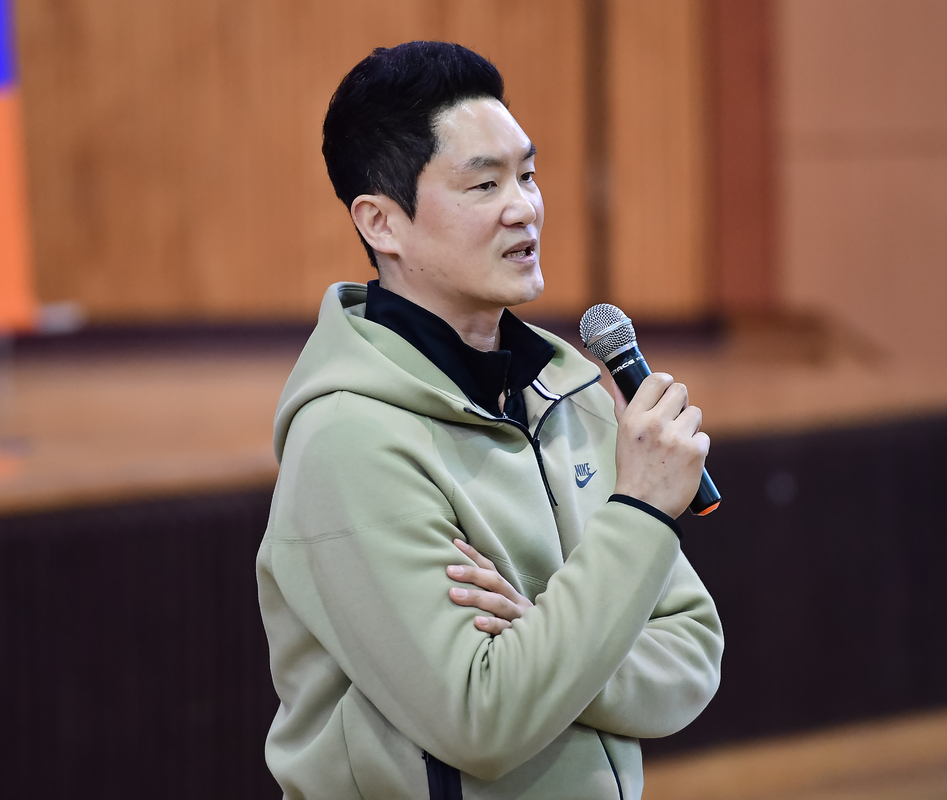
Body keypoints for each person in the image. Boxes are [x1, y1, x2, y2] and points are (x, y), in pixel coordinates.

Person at [256, 41, 722, 800]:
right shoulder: (350, 440)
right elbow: (483, 719)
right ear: (382, 223)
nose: (524, 207)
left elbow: (693, 657)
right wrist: (638, 515)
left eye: (528, 175)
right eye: (484, 184)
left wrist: (541, 644)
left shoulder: (570, 393)